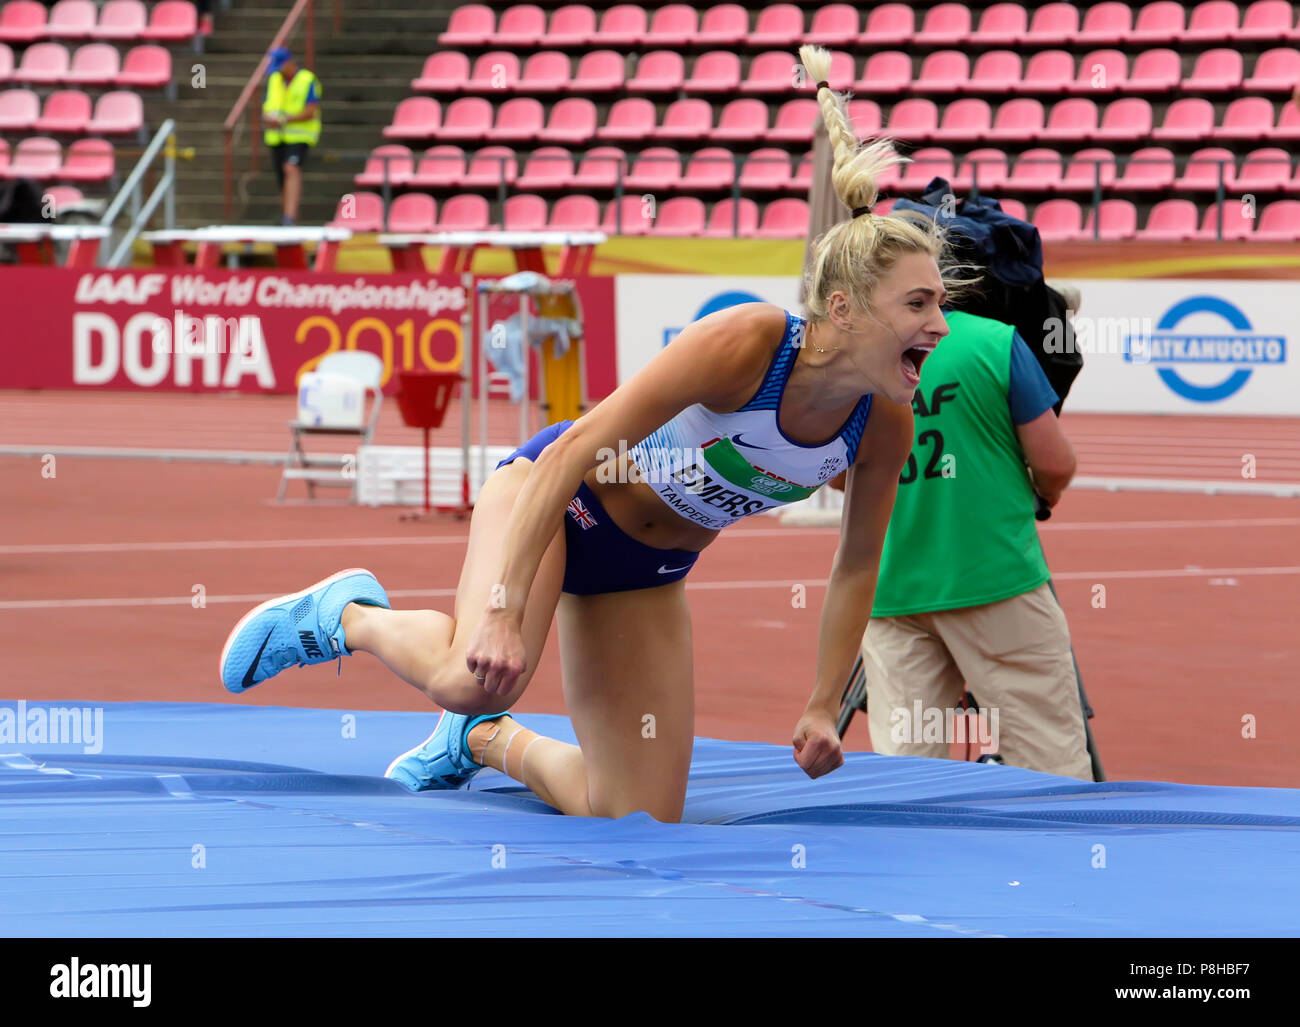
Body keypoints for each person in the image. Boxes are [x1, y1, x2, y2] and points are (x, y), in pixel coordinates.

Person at [219, 44, 958, 823]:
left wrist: (821, 704)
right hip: (560, 501)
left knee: (634, 813)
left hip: (647, 570)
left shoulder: (885, 424)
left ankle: (478, 743)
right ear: (842, 310)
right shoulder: (746, 345)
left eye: (939, 302)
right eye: (917, 305)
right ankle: (347, 616)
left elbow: (855, 563)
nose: (939, 325)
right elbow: (574, 448)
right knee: (474, 671)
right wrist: (503, 610)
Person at [859, 305, 1093, 779]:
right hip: (995, 580)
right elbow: (1055, 463)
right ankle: (1062, 853)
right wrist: (1041, 492)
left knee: (905, 771)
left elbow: (841, 478)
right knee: (1047, 762)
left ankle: (911, 853)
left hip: (889, 587)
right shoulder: (995, 342)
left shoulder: (861, 348)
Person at [262, 47, 321, 227]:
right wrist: (269, 119)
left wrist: (285, 120)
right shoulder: (274, 80)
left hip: (299, 136)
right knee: (282, 179)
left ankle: (289, 217)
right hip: (277, 137)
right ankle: (288, 217)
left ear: (288, 62)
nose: (278, 71)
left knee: (291, 168)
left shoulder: (307, 80)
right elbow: (267, 108)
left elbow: (311, 111)